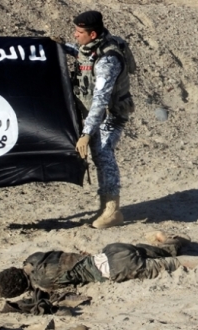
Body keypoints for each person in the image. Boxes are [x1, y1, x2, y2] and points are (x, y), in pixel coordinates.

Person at [0, 232, 198, 298]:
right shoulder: (34, 259)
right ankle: (171, 240)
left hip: (115, 271)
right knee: (156, 252)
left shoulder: (42, 283)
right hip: (111, 251)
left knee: (177, 265)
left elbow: (69, 289)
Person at [60, 11, 135, 229]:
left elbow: (100, 99)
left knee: (103, 152)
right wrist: (58, 46)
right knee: (98, 152)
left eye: (79, 32)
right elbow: (80, 52)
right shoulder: (92, 47)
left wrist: (86, 133)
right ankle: (104, 207)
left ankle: (112, 210)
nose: (75, 35)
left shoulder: (107, 61)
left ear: (93, 34)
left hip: (111, 114)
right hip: (96, 114)